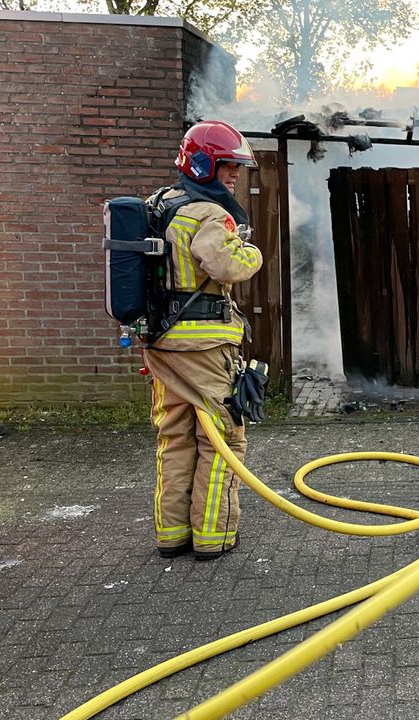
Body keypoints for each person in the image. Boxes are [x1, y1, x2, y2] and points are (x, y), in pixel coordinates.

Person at [142, 120, 262, 561]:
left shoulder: (160, 204)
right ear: (202, 163)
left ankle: (171, 534)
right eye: (227, 166)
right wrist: (253, 252)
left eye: (235, 167)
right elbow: (227, 266)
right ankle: (212, 536)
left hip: (160, 342)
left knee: (174, 436)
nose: (233, 175)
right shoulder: (209, 213)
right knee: (222, 439)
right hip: (204, 346)